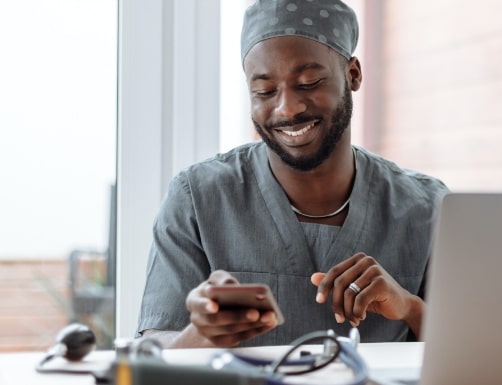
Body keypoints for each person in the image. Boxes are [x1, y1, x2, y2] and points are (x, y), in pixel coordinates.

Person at [136, 0, 448, 348]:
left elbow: (481, 347)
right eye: (264, 91)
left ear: (353, 75)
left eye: (309, 82)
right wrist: (201, 334)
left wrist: (409, 307)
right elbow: (156, 346)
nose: (287, 107)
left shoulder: (427, 208)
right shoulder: (198, 197)